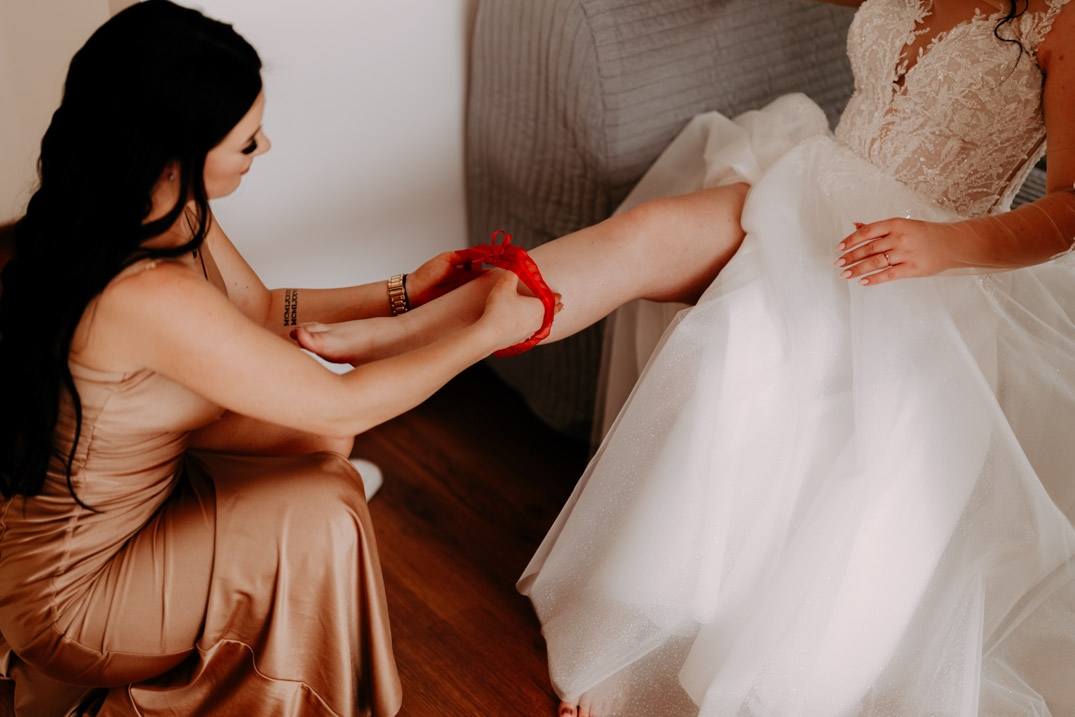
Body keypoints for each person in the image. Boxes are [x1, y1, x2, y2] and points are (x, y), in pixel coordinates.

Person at [296, 0, 1075, 714]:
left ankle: (653, 638)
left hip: (918, 260)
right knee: (633, 240)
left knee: (744, 343)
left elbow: (1068, 208)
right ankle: (405, 320)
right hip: (808, 186)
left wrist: (942, 245)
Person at [0, 2, 550, 715]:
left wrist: (404, 291)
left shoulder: (154, 204)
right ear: (175, 155)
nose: (265, 146)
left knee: (317, 445)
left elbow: (258, 309)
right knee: (323, 509)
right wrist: (483, 334)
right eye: (247, 141)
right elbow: (350, 402)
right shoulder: (144, 294)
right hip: (73, 601)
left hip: (130, 502)